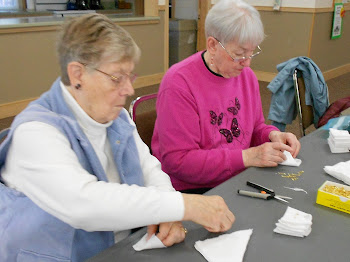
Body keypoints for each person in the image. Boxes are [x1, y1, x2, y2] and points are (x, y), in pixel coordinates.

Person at [0, 14, 235, 262]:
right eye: (116, 77)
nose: (129, 89)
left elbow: (149, 167)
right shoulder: (35, 132)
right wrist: (183, 205)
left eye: (129, 76)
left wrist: (169, 211)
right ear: (77, 74)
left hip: (120, 249)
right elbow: (83, 203)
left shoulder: (117, 117)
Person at [152, 0, 301, 194]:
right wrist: (247, 157)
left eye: (252, 52)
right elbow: (179, 162)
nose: (247, 63)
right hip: (193, 189)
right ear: (213, 45)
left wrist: (272, 135)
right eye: (239, 54)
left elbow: (254, 128)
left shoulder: (246, 76)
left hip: (237, 177)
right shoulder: (179, 83)